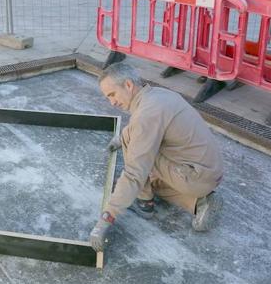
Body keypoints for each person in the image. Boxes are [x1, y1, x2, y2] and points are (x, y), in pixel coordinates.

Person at [90, 62, 224, 252]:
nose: (112, 102)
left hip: (194, 174)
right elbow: (146, 124)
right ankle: (199, 203)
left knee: (138, 158)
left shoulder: (146, 115)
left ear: (128, 85)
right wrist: (122, 137)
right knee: (148, 173)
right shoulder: (159, 95)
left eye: (112, 94)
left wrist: (105, 219)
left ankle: (145, 203)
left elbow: (134, 173)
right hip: (207, 170)